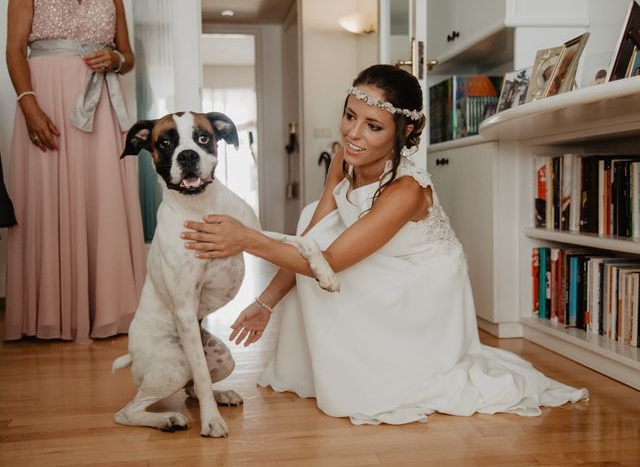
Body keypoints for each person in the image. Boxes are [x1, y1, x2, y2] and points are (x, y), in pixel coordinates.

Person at [182, 64, 588, 425]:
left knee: (324, 259)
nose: (353, 134)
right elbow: (313, 240)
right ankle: (335, 364)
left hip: (421, 291)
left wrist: (247, 238)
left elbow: (329, 261)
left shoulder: (406, 190)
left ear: (404, 131)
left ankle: (381, 368)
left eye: (373, 126)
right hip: (377, 267)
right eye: (349, 116)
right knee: (312, 219)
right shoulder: (345, 160)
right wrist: (265, 303)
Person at [4, 0, 146, 342]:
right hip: (46, 98)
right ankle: (49, 313)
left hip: (100, 104)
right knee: (47, 199)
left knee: (102, 198)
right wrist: (29, 106)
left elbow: (128, 56)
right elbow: (13, 50)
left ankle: (109, 308)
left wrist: (116, 60)